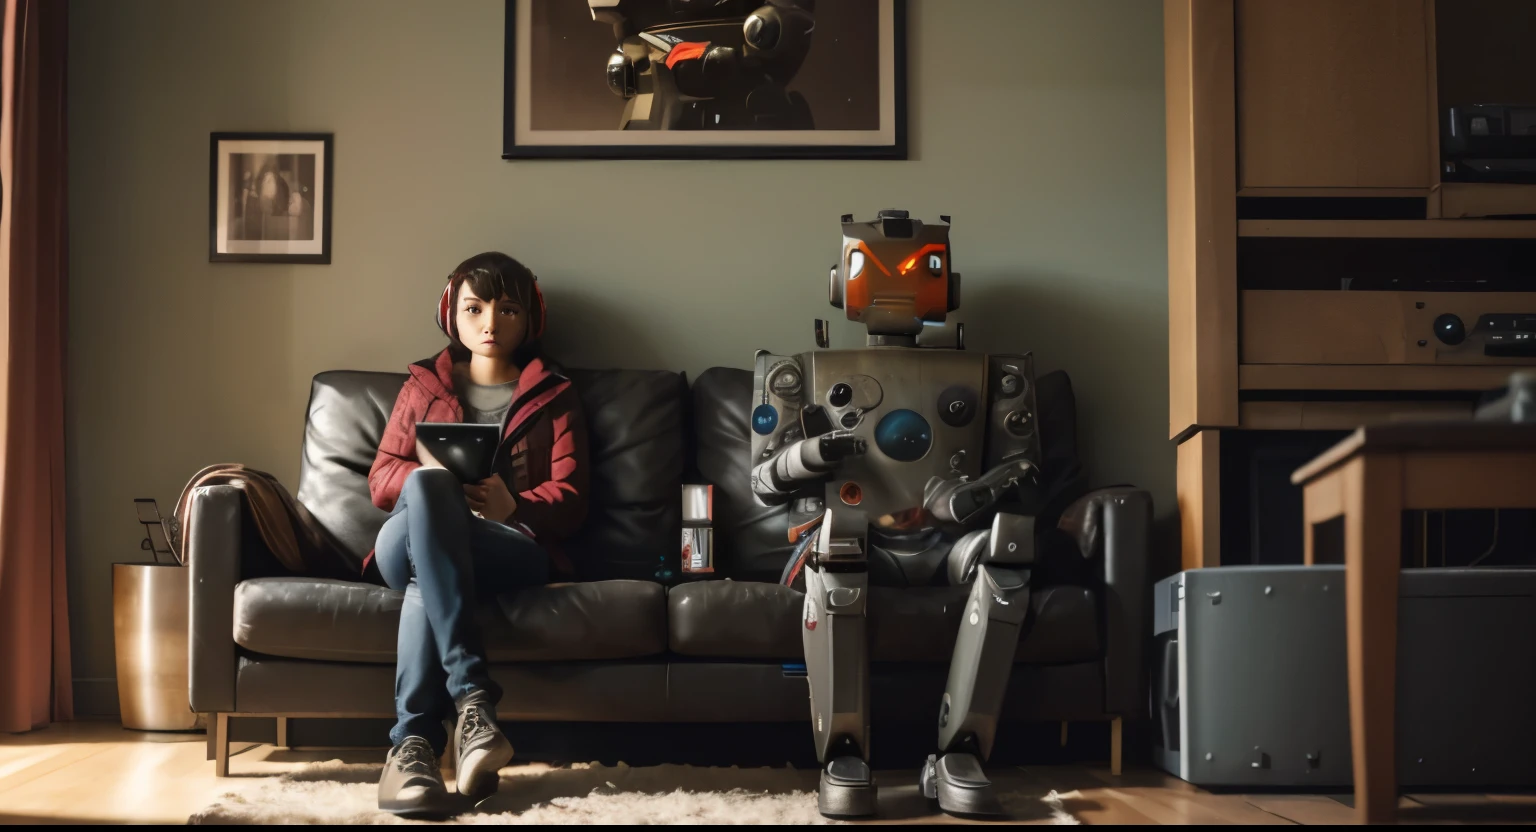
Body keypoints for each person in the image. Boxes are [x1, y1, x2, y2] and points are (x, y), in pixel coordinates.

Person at [366, 252, 589, 816]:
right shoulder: (421, 385)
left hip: (506, 544)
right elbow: (382, 477)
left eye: (506, 308)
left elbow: (573, 498)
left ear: (529, 318)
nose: (490, 322)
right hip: (408, 535)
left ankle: (413, 747)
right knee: (425, 493)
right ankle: (472, 702)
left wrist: (515, 503)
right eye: (475, 307)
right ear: (452, 313)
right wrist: (432, 483)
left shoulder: (555, 394)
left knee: (426, 575)